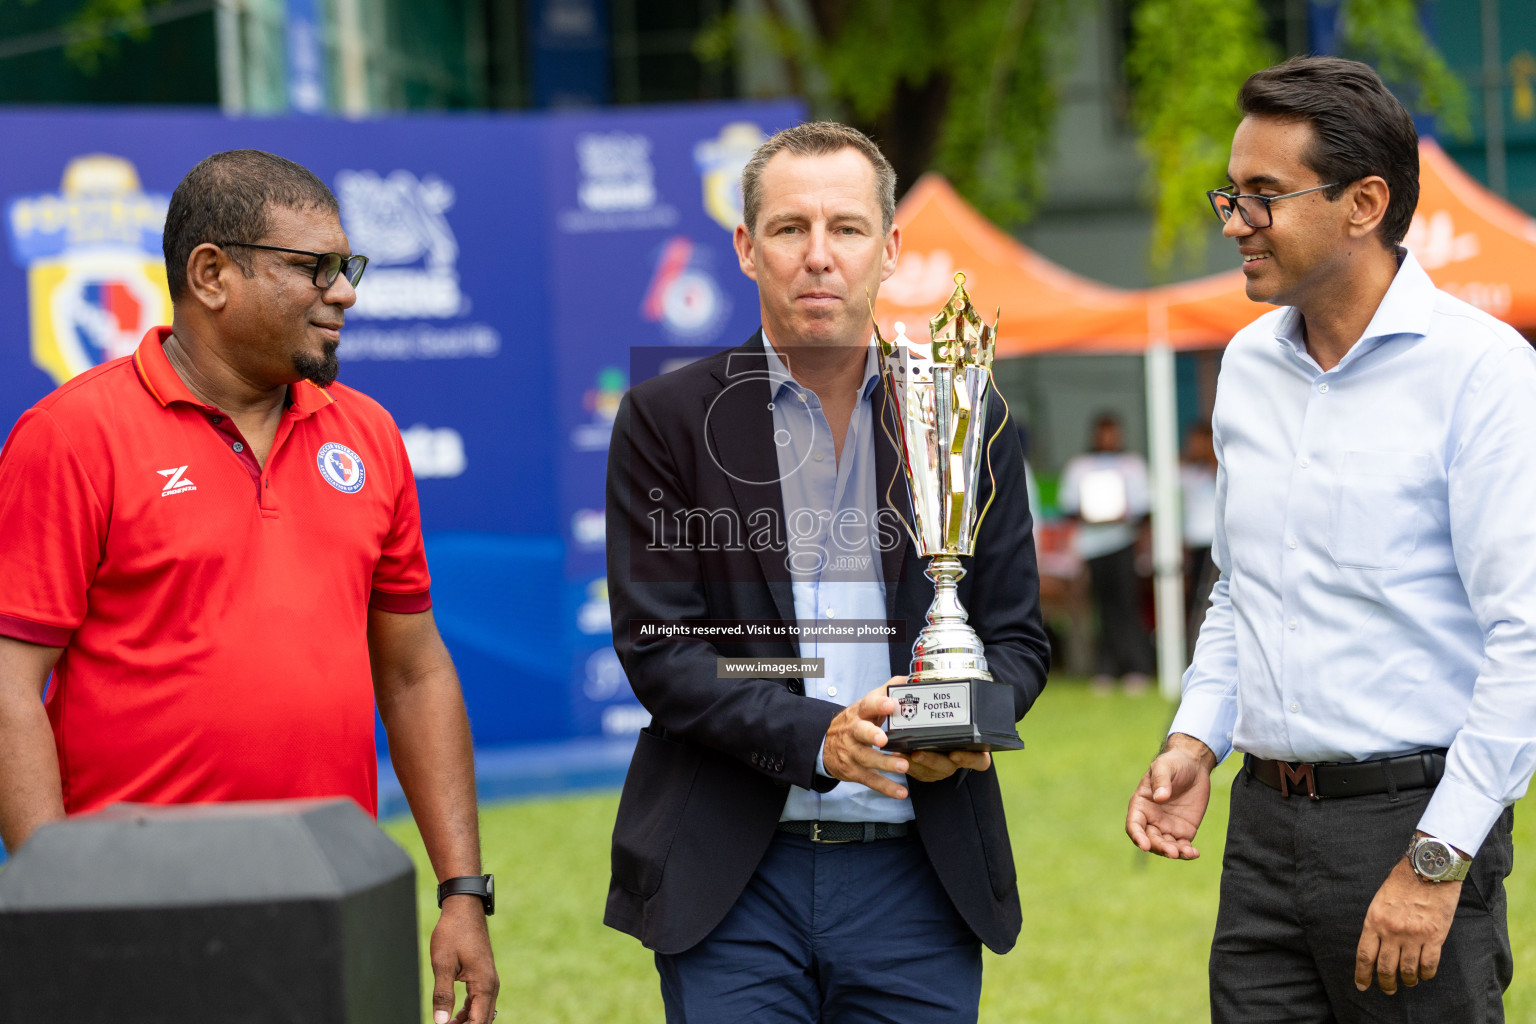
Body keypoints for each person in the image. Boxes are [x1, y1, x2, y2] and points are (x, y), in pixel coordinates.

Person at [0, 150, 498, 1024]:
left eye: (347, 268)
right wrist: (59, 898)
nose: (344, 291)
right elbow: (8, 682)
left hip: (333, 896)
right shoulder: (72, 435)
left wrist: (462, 892)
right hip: (132, 906)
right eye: (314, 268)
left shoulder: (371, 435)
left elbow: (415, 672)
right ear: (212, 274)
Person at [605, 121, 1050, 1022]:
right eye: (788, 228)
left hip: (919, 880)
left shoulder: (965, 415)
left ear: (889, 249)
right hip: (732, 880)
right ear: (744, 247)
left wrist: (962, 722)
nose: (819, 256)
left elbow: (1012, 637)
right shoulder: (667, 418)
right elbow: (664, 651)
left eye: (846, 228)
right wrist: (817, 735)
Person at [1125, 56, 1536, 1023]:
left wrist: (1436, 863)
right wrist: (1196, 739)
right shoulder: (1246, 366)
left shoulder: (1482, 374)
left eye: (1264, 196)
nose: (1233, 221)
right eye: (1231, 191)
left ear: (1364, 204)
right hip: (1263, 833)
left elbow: (1526, 642)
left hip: (1414, 824)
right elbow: (1241, 590)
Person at [1056, 412, 1154, 693]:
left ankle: (1136, 667)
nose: (1108, 439)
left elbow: (1144, 507)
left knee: (1127, 606)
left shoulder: (1132, 465)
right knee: (1102, 609)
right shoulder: (1080, 466)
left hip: (1123, 543)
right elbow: (1068, 506)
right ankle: (1105, 669)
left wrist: (1124, 514)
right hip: (1093, 546)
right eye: (1103, 433)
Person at [1179, 419, 1218, 654]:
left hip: (1214, 545)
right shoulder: (1187, 472)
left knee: (1211, 599)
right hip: (1195, 546)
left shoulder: (1221, 468)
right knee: (1195, 599)